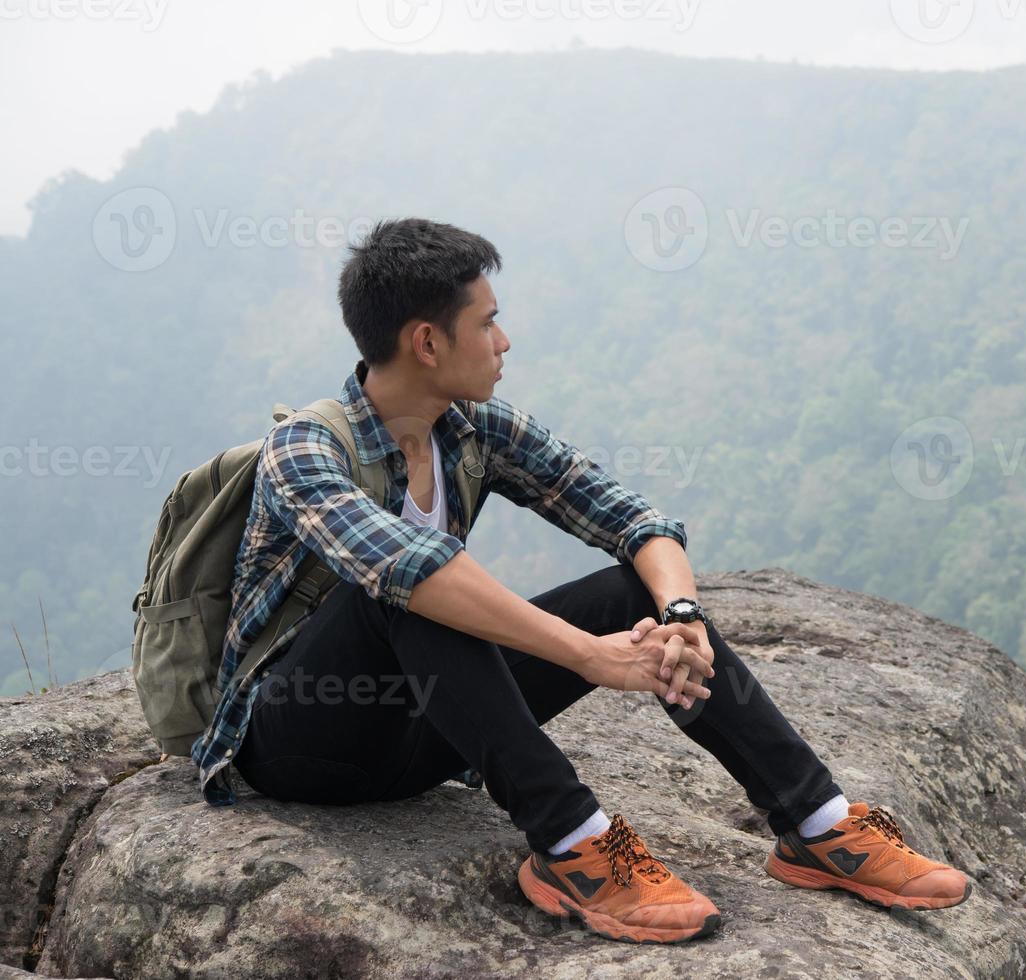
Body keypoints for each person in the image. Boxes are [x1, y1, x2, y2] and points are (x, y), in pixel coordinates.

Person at [190, 217, 971, 944]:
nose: (505, 341)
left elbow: (632, 520)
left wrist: (681, 612)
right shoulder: (303, 451)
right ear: (427, 341)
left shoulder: (477, 428)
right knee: (409, 592)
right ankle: (572, 845)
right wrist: (590, 658)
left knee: (633, 589)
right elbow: (409, 568)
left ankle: (818, 825)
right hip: (300, 742)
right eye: (487, 322)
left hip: (427, 738)